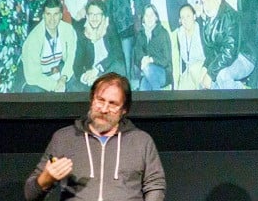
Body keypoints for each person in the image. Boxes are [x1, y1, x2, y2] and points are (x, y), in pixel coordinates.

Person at [23, 72, 166, 201]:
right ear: (92, 100)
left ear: (124, 110)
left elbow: (155, 186)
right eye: (100, 100)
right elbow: (30, 194)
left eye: (112, 104)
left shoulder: (141, 141)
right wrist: (45, 179)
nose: (104, 109)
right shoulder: (64, 138)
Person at [199, 0, 254, 89]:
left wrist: (210, 73)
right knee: (204, 83)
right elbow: (211, 52)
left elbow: (230, 52)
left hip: (244, 57)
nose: (206, 5)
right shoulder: (207, 20)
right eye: (204, 1)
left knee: (222, 75)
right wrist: (205, 68)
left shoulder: (230, 17)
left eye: (209, 0)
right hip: (225, 57)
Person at [21, 0, 77, 93]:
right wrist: (54, 86)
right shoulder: (33, 39)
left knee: (77, 87)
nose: (52, 19)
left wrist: (63, 78)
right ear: (43, 15)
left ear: (61, 15)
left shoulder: (68, 30)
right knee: (34, 93)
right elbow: (32, 76)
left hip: (59, 73)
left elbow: (72, 57)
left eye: (55, 14)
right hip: (37, 77)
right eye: (48, 14)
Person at [72, 0, 125, 91]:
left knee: (119, 66)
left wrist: (98, 70)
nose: (94, 18)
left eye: (98, 14)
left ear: (103, 16)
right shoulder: (82, 34)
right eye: (91, 14)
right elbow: (77, 65)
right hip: (91, 75)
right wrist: (85, 77)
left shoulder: (110, 29)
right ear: (87, 16)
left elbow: (117, 53)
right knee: (75, 87)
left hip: (107, 70)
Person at [132, 4, 172, 91]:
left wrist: (151, 59)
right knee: (143, 87)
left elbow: (167, 60)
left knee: (148, 69)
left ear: (156, 17)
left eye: (152, 15)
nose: (149, 18)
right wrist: (142, 60)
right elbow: (137, 55)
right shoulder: (140, 35)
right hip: (146, 71)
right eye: (147, 15)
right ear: (143, 18)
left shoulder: (163, 33)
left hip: (164, 73)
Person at [173, 3, 207, 90]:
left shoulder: (202, 30)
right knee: (181, 92)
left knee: (194, 69)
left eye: (188, 16)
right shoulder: (180, 33)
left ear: (194, 16)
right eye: (182, 17)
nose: (185, 20)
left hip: (204, 67)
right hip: (189, 68)